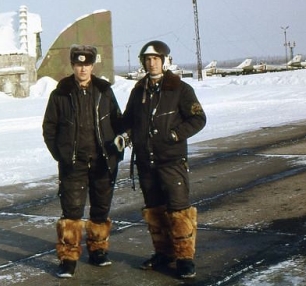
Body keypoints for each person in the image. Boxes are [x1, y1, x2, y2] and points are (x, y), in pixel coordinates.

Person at [122, 40, 206, 279]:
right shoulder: (138, 90)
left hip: (172, 161)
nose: (152, 63)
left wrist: (175, 134)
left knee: (178, 210)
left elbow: (198, 119)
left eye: (156, 59)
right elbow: (129, 119)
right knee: (155, 210)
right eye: (147, 60)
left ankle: (184, 258)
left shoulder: (180, 88)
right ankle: (164, 253)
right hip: (146, 163)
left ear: (165, 61)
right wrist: (126, 135)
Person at [42, 44, 124, 278]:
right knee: (71, 211)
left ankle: (98, 251)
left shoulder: (104, 90)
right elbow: (49, 129)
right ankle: (68, 259)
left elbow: (118, 122)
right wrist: (62, 155)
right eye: (79, 64)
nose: (83, 69)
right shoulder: (60, 93)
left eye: (87, 64)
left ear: (92, 65)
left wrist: (118, 146)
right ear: (73, 66)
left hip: (102, 162)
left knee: (100, 208)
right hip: (74, 164)